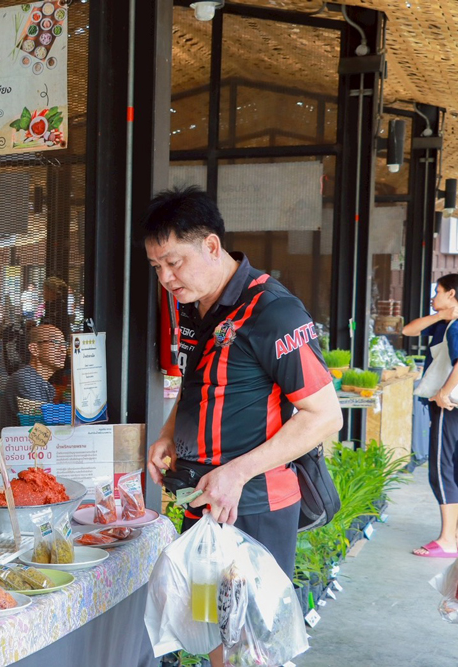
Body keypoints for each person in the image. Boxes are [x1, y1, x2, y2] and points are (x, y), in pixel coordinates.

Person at [143, 187, 342, 666]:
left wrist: (237, 472)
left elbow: (324, 415)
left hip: (254, 509)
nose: (167, 278)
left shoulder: (274, 311)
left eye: (174, 263)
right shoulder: (195, 306)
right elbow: (201, 384)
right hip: (204, 503)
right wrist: (170, 432)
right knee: (218, 637)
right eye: (157, 268)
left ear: (212, 247)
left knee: (254, 650)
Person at [402, 274, 458, 557]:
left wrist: (444, 393)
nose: (434, 297)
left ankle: (448, 539)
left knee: (440, 468)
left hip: (449, 406)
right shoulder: (445, 324)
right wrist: (440, 316)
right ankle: (454, 534)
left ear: (452, 294)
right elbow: (409, 330)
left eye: (438, 292)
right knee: (454, 468)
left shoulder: (456, 327)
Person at [0, 324, 65, 428]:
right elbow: (41, 428)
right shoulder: (26, 379)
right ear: (34, 349)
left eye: (64, 343)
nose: (63, 349)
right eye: (55, 342)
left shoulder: (45, 385)